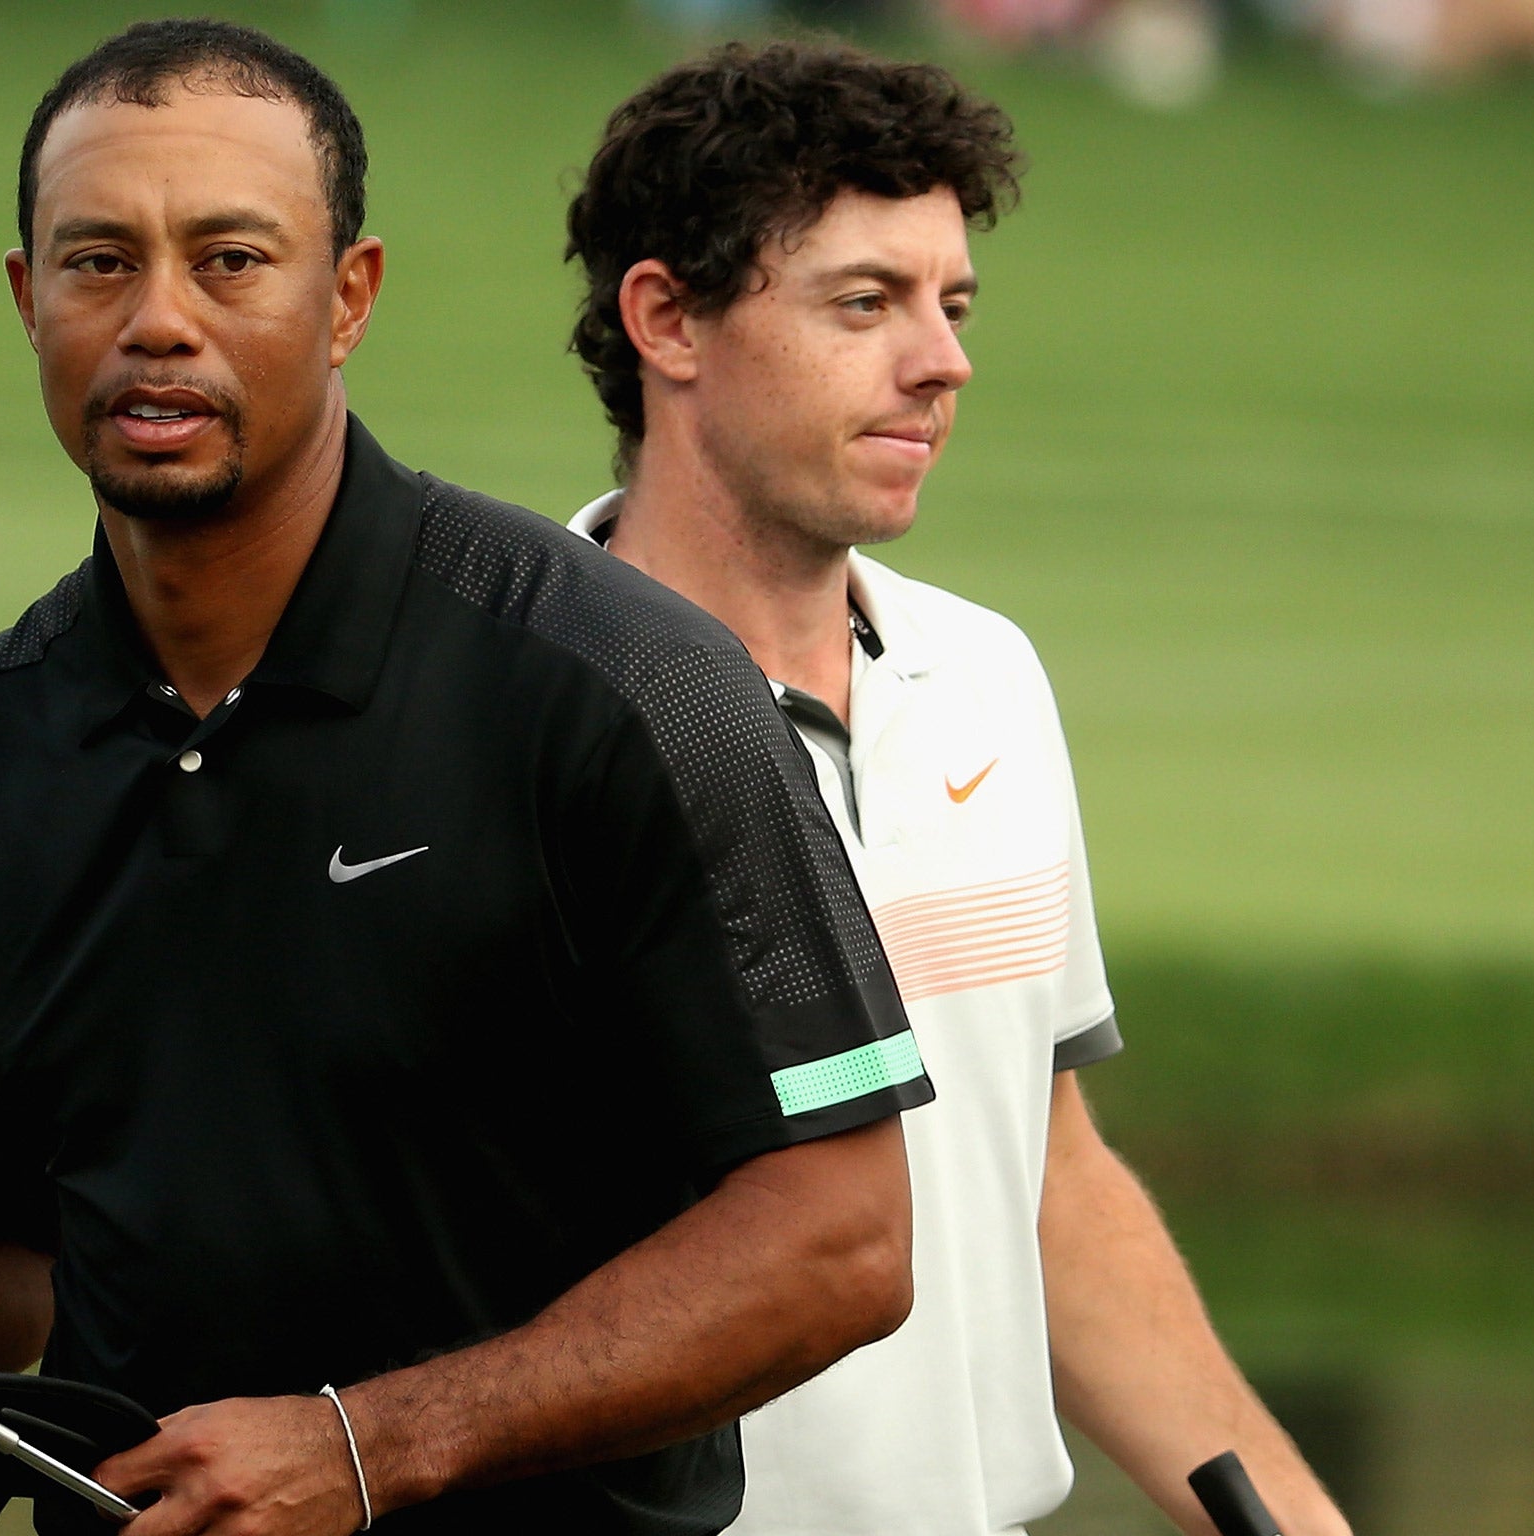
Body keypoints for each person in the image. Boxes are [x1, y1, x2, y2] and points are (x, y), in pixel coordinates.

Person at [0, 21, 938, 1536]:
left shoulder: (625, 688)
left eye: (231, 260)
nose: (159, 321)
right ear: (27, 301)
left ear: (348, 299)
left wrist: (365, 1446)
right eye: (98, 263)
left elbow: (840, 1242)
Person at [563, 41, 1353, 1536]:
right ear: (666, 319)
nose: (943, 360)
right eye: (866, 303)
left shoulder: (985, 675)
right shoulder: (508, 718)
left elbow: (1045, 1178)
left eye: (953, 304)